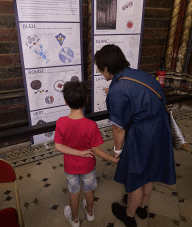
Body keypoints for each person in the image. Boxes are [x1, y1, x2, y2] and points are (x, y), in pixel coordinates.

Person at [94, 44, 176, 227]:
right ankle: (142, 207)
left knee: (136, 175)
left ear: (106, 68)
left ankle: (129, 216)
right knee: (150, 171)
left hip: (143, 134)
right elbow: (136, 94)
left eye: (100, 69)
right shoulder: (138, 74)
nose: (101, 73)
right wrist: (114, 94)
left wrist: (117, 150)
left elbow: (118, 129)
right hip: (160, 128)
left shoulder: (118, 89)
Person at [54, 80, 119, 227]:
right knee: (89, 190)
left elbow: (58, 146)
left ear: (65, 101)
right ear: (86, 100)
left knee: (74, 193)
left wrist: (77, 153)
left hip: (70, 167)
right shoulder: (91, 125)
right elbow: (97, 151)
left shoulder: (61, 122)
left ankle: (75, 220)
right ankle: (90, 213)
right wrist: (113, 160)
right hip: (88, 166)